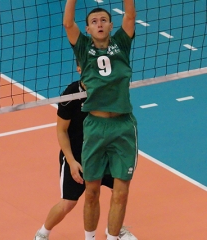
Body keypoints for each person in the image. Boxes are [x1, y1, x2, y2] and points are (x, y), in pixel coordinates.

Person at [33, 64, 137, 240]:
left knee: (119, 192)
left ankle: (114, 230)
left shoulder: (106, 88)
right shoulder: (71, 94)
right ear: (79, 69)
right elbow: (61, 131)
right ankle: (43, 232)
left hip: (104, 151)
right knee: (68, 202)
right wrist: (71, 161)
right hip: (77, 155)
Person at [63, 1, 138, 240]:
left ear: (111, 24)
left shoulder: (121, 44)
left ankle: (113, 237)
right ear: (88, 29)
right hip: (95, 127)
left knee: (121, 192)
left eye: (104, 20)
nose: (99, 24)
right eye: (94, 22)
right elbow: (67, 23)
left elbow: (130, 16)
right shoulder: (83, 48)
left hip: (123, 126)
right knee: (92, 191)